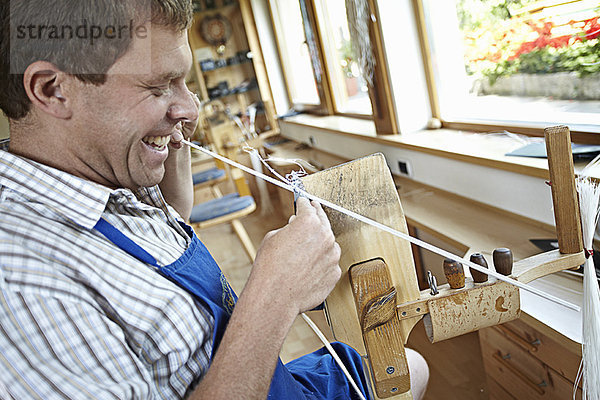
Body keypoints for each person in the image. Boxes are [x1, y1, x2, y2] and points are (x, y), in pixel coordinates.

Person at [0, 1, 428, 399]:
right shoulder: (21, 289)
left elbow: (166, 229)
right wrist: (273, 297)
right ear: (53, 90)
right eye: (158, 85)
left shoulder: (93, 165)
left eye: (183, 80)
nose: (190, 107)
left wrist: (166, 139)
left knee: (414, 365)